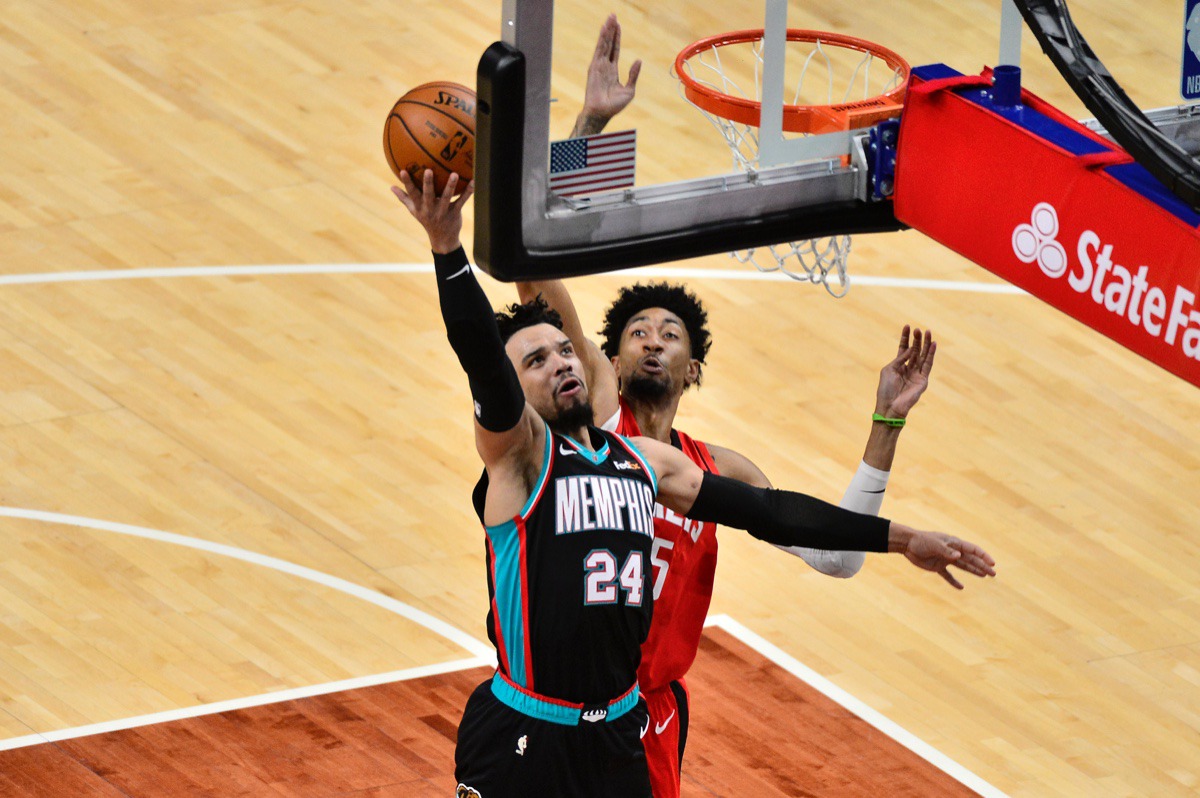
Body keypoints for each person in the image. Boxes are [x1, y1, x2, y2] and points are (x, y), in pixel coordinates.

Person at [391, 168, 995, 797]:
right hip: (529, 728)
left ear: (694, 367)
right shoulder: (524, 455)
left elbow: (774, 512)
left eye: (563, 351)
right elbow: (513, 305)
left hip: (627, 723)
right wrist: (449, 244)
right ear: (612, 361)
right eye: (537, 360)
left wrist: (900, 535)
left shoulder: (655, 464)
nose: (561, 361)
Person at [521, 15, 951, 797]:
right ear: (607, 359)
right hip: (549, 709)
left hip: (642, 721)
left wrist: (885, 423)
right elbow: (532, 267)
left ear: (694, 369)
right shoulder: (595, 417)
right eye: (636, 332)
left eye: (671, 334)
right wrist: (587, 126)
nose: (652, 341)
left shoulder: (716, 472)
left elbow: (835, 556)